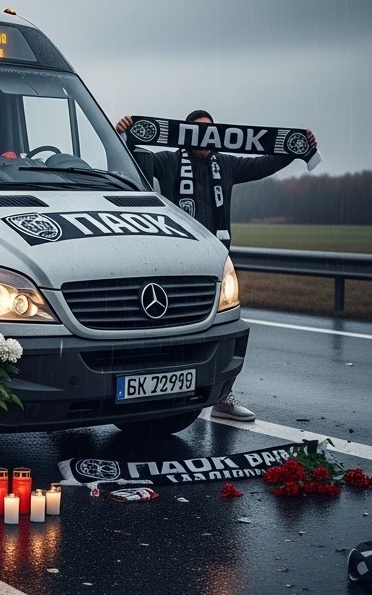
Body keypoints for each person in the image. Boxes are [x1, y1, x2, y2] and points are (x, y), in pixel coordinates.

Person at [115, 109, 317, 422]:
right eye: (196, 131)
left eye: (209, 131)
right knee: (178, 333)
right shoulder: (168, 161)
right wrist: (126, 135)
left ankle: (222, 396)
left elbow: (263, 164)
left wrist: (293, 147)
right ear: (184, 134)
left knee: (221, 331)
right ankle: (161, 393)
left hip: (217, 262)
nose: (204, 137)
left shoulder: (226, 163)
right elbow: (136, 163)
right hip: (176, 262)